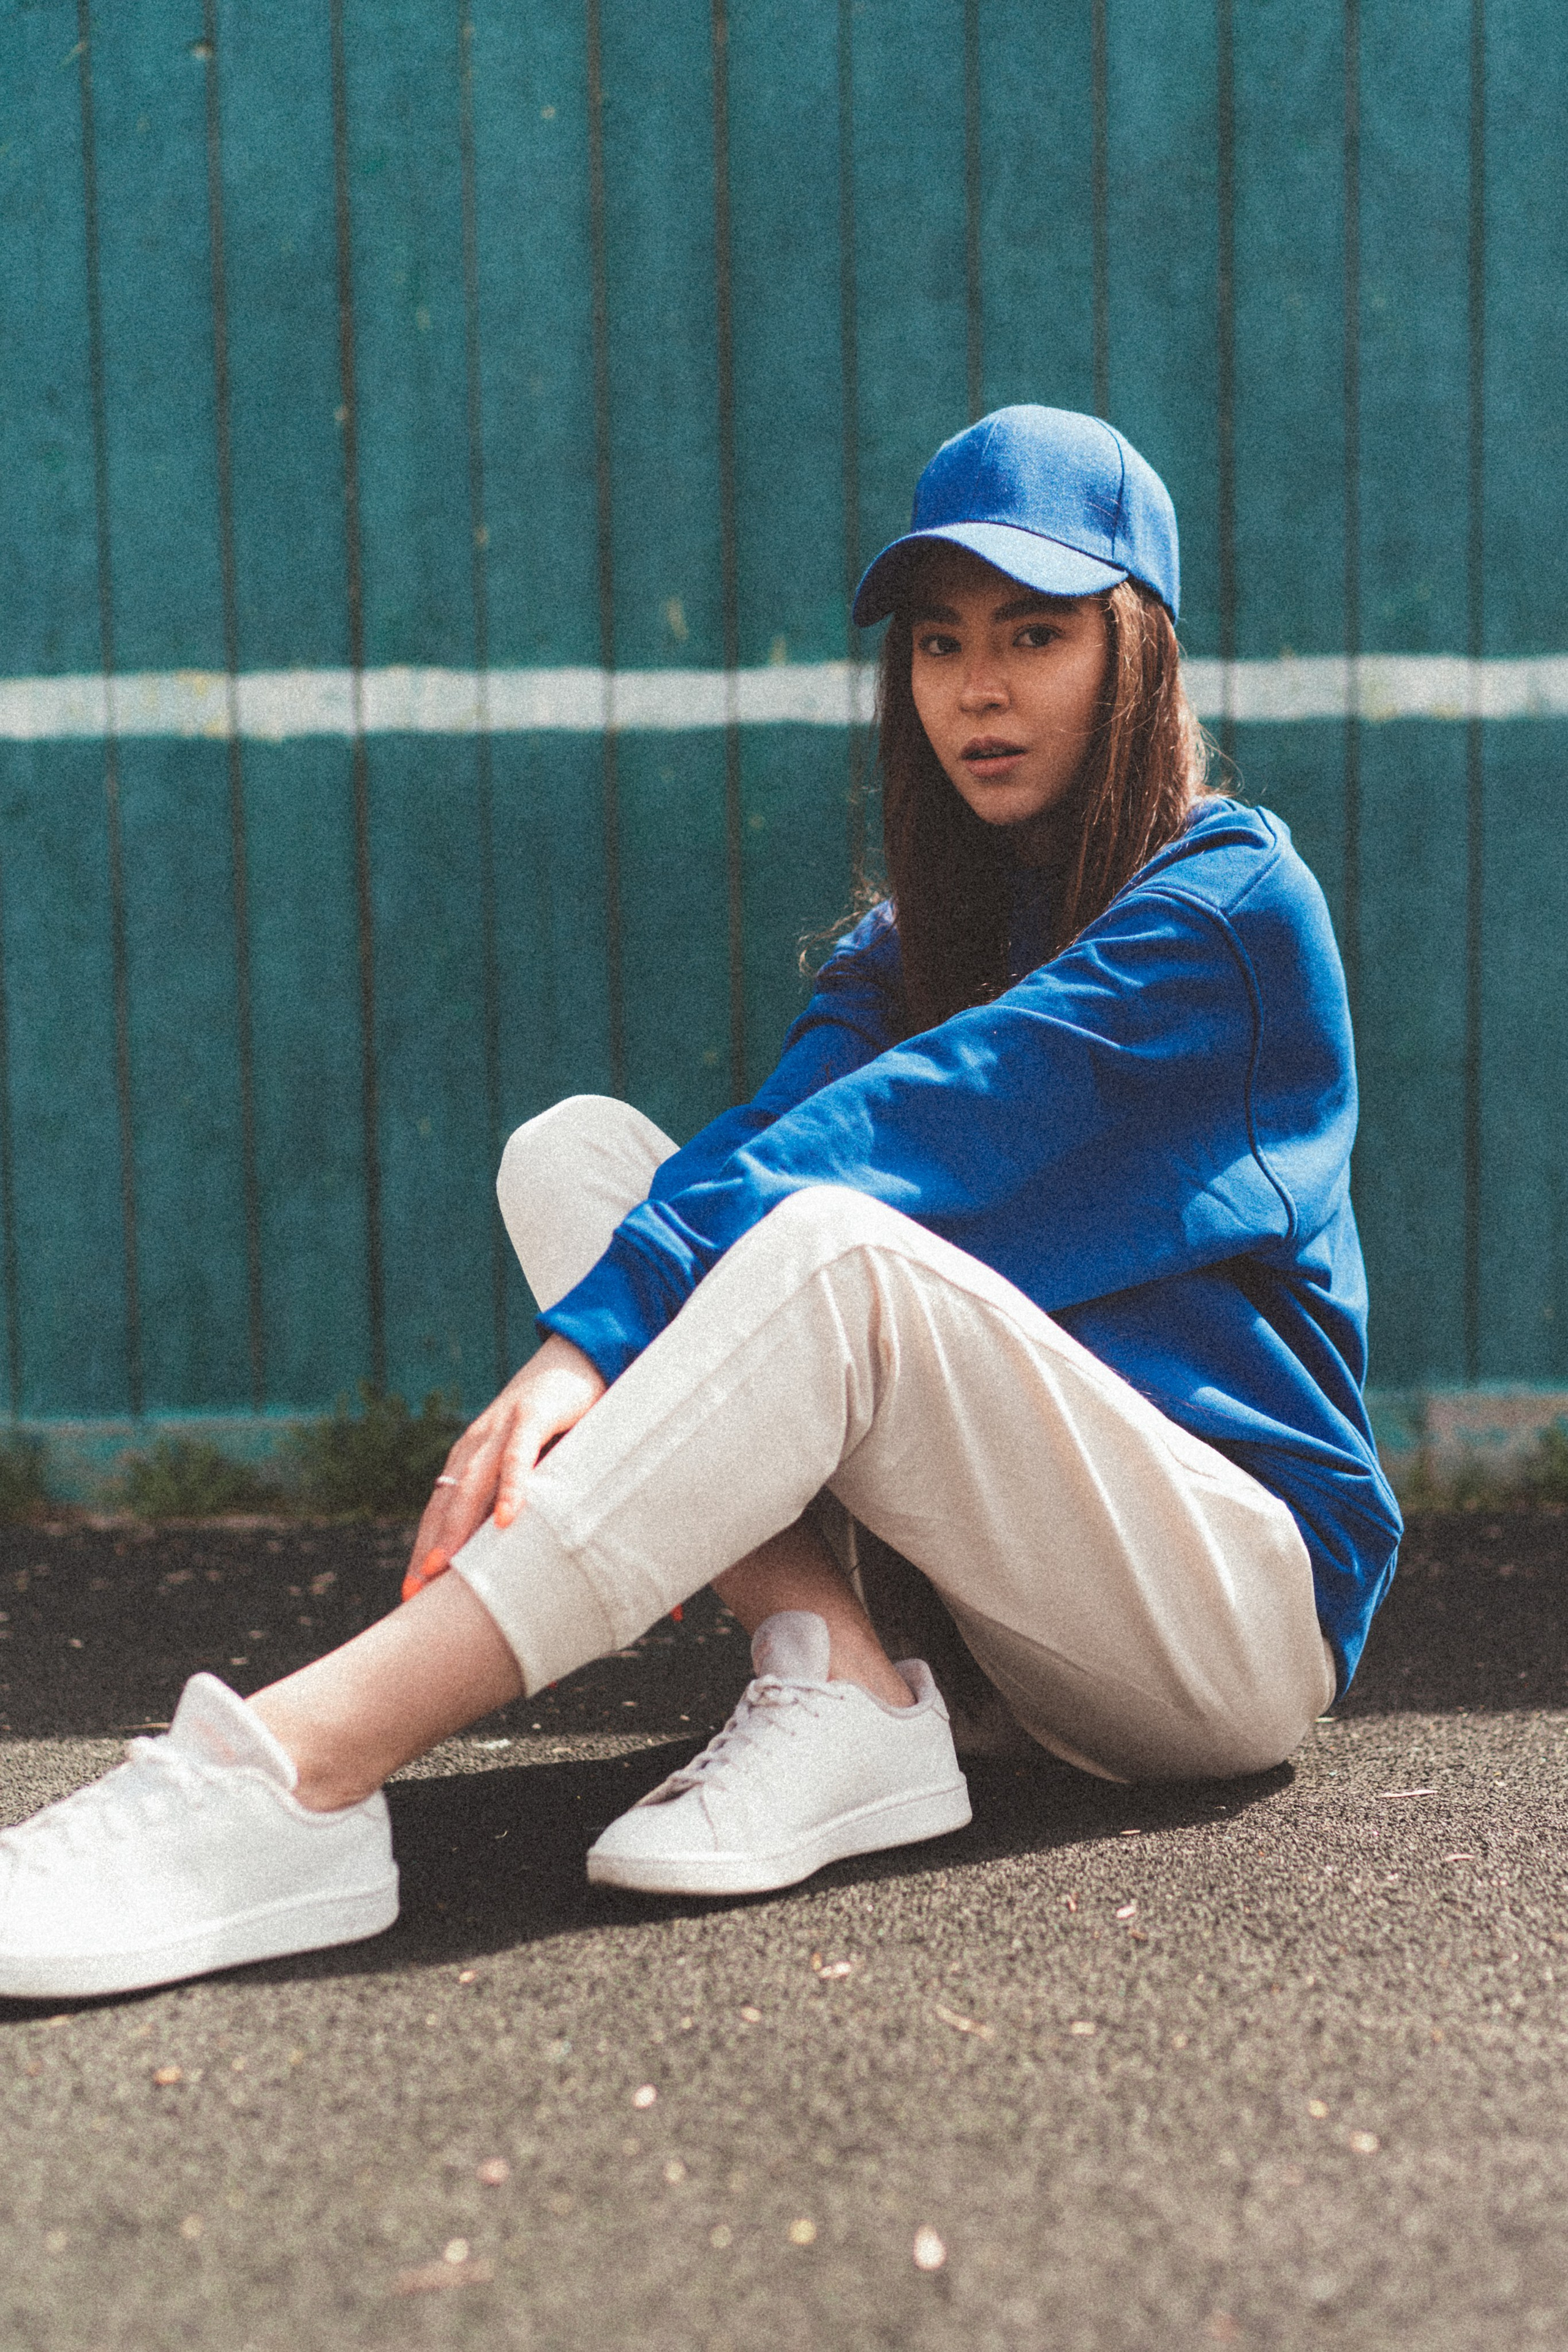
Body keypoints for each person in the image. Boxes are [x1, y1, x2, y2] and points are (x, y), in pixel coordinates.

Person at [0, 405, 1401, 2000]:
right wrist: (609, 1310)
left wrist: (590, 1344)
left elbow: (914, 1132)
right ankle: (838, 1677)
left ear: (1135, 652)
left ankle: (296, 1768)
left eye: (1034, 636)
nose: (980, 688)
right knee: (583, 1161)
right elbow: (780, 1130)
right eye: (940, 646)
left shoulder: (1228, 916)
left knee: (822, 1245)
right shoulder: (912, 944)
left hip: (1221, 1633)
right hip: (995, 1623)